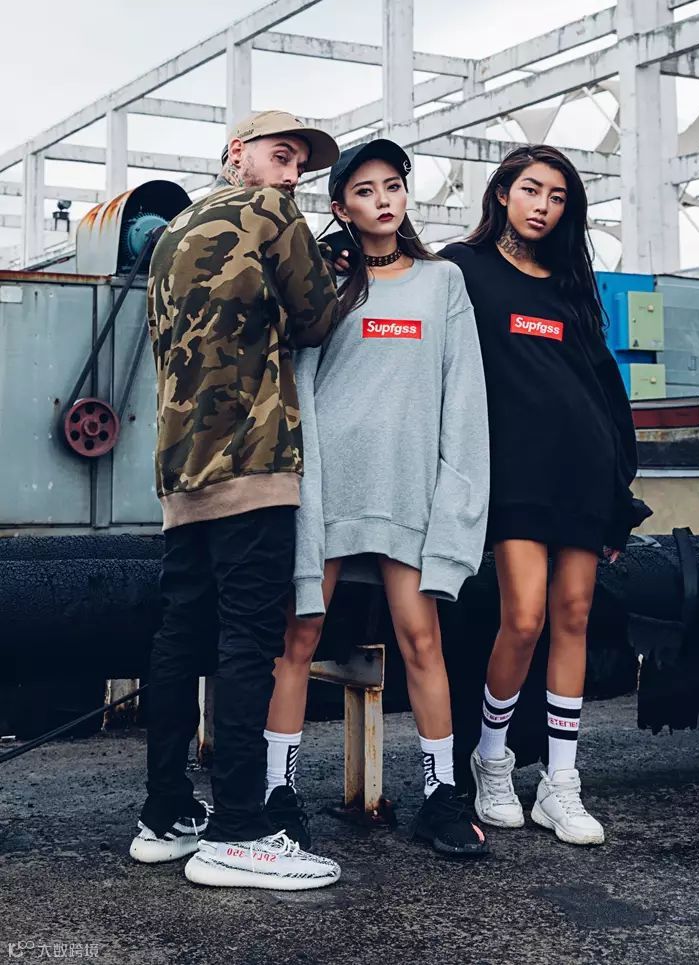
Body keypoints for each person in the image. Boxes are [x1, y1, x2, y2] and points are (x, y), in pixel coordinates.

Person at [131, 110, 345, 890]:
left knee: (179, 634)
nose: (291, 175)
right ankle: (240, 829)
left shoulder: (170, 233)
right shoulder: (272, 213)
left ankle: (165, 813)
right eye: (281, 156)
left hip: (181, 468)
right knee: (250, 639)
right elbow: (318, 318)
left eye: (299, 167)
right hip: (254, 460)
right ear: (236, 154)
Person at [262, 137, 491, 858]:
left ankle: (441, 797)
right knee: (298, 639)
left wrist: (456, 494)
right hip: (328, 489)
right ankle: (275, 795)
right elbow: (294, 381)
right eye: (365, 190)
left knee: (422, 641)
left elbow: (464, 397)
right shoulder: (322, 282)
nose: (383, 199)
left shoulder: (443, 281)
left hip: (406, 491)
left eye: (392, 185)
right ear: (341, 208)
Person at [441, 144, 650, 847]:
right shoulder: (462, 268)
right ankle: (491, 759)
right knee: (523, 617)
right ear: (502, 192)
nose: (543, 206)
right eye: (532, 189)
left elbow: (602, 385)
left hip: (582, 470)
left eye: (558, 197)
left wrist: (619, 487)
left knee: (574, 616)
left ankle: (561, 783)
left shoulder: (568, 282)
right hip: (514, 472)